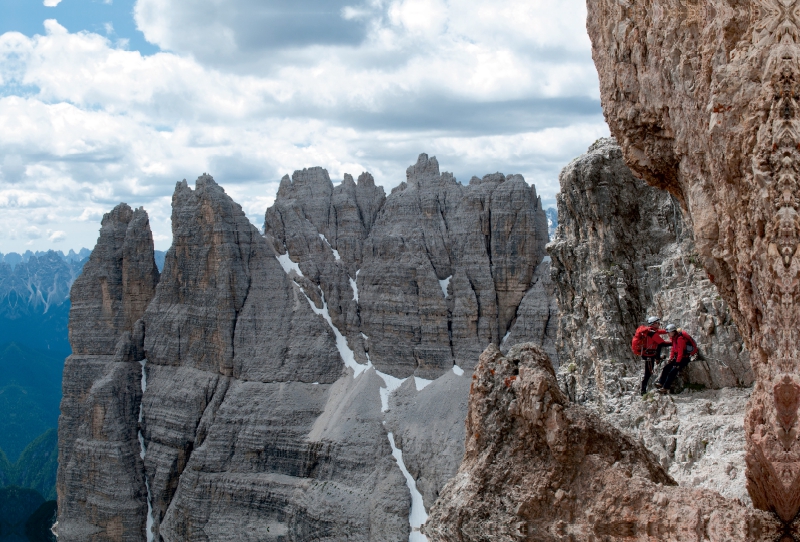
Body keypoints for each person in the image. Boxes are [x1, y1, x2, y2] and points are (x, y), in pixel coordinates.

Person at [633, 316, 671, 396]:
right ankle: (643, 390)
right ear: (654, 324)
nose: (659, 324)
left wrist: (670, 330)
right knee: (648, 373)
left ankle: (658, 358)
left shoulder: (650, 330)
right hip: (649, 356)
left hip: (649, 354)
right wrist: (673, 343)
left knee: (648, 372)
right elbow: (662, 343)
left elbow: (661, 331)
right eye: (658, 323)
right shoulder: (652, 333)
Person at [657, 324, 698, 394]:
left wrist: (677, 363)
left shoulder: (680, 339)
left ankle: (665, 388)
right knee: (666, 368)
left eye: (669, 333)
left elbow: (680, 352)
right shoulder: (674, 339)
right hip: (678, 359)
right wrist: (671, 358)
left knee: (672, 371)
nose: (668, 334)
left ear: (673, 332)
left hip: (684, 359)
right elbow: (673, 349)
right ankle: (661, 383)